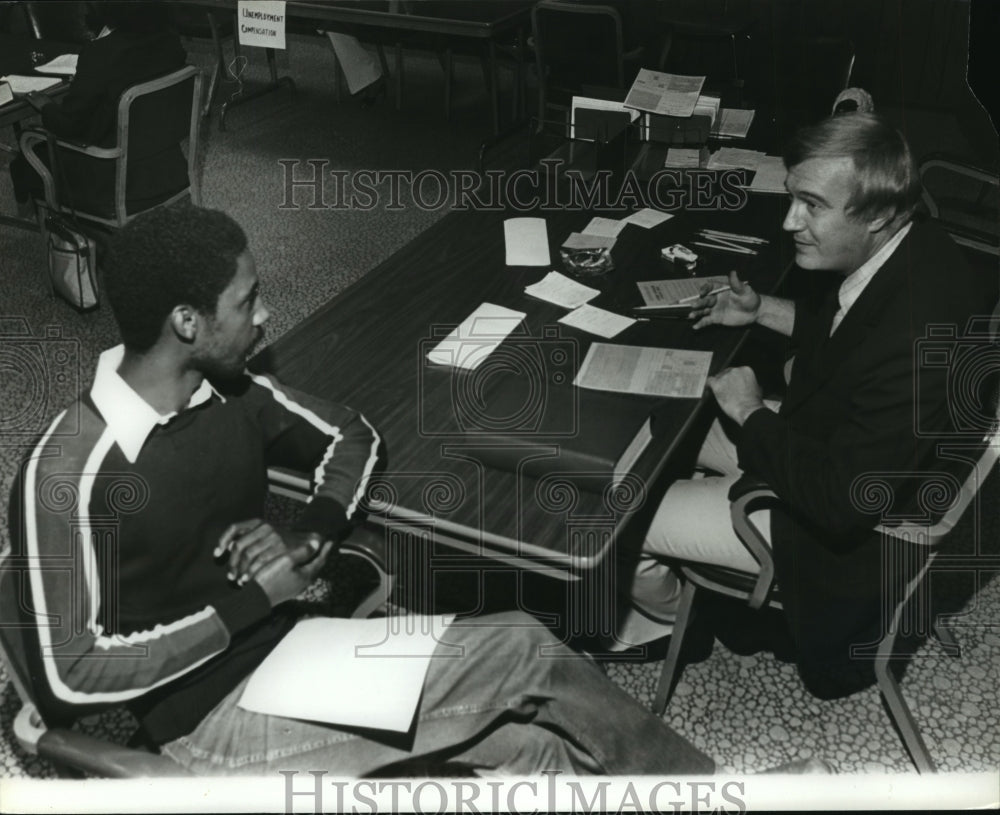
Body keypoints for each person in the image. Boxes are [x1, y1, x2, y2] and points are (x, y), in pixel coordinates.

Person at [2, 204, 713, 777]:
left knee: (533, 749)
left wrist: (308, 530)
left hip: (288, 655)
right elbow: (72, 677)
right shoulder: (65, 469)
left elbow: (353, 433)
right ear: (187, 322)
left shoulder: (231, 390)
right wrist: (255, 597)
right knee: (528, 649)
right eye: (246, 300)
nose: (265, 314)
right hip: (206, 730)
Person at [615, 112, 998, 696]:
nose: (789, 220)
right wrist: (761, 310)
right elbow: (851, 336)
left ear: (877, 214)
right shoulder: (915, 245)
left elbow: (842, 503)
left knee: (623, 513)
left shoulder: (920, 338)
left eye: (812, 205)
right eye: (793, 197)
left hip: (839, 536)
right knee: (653, 432)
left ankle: (665, 629)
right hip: (831, 445)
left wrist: (750, 413)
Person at [10, 0, 187, 215]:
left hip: (115, 180)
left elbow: (69, 127)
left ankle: (53, 234)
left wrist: (46, 106)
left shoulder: (100, 53)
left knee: (26, 154)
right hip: (169, 168)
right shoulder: (171, 42)